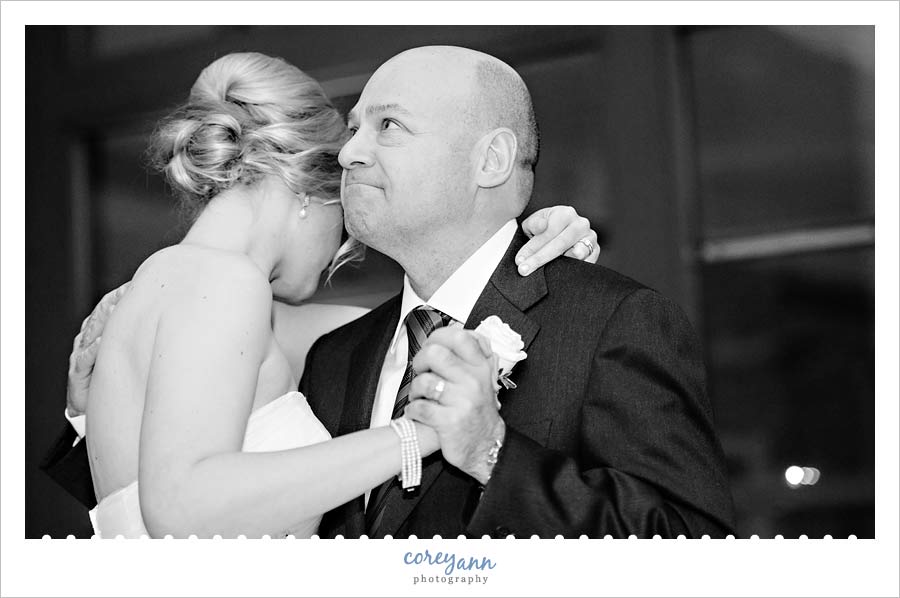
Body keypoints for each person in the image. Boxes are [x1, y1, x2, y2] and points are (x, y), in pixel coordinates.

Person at [39, 51, 601, 538]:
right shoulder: (224, 283)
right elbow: (179, 507)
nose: (340, 253)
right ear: (312, 189)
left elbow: (420, 321)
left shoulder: (158, 286)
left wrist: (528, 250)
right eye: (346, 230)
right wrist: (418, 434)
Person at [298, 45, 736, 538]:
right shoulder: (334, 358)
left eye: (389, 126)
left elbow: (696, 544)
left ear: (491, 159)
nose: (348, 152)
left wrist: (493, 454)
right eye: (354, 128)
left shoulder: (616, 323)